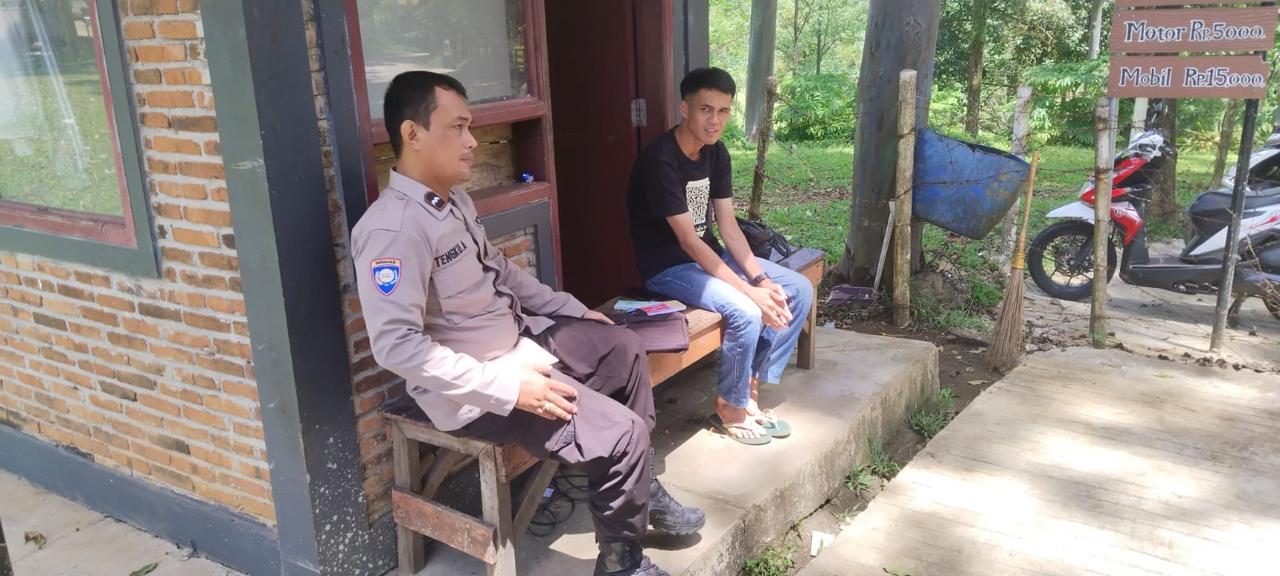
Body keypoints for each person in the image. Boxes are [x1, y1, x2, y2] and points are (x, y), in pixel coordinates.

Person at [352, 71, 703, 576]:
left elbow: (503, 273)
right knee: (623, 433)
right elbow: (397, 347)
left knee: (622, 346)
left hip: (518, 345)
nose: (472, 141)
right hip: (477, 391)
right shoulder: (393, 230)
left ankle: (638, 487)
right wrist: (510, 390)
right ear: (413, 134)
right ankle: (621, 563)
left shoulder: (453, 201)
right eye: (458, 127)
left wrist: (574, 309)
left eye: (471, 127)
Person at [626, 67, 814, 446]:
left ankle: (749, 388)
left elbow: (728, 225)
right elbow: (688, 241)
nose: (715, 121)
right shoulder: (660, 160)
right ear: (685, 109)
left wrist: (761, 280)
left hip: (708, 257)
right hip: (669, 267)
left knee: (796, 289)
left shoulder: (716, 153)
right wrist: (750, 292)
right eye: (705, 109)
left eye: (724, 111)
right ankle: (730, 406)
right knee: (745, 310)